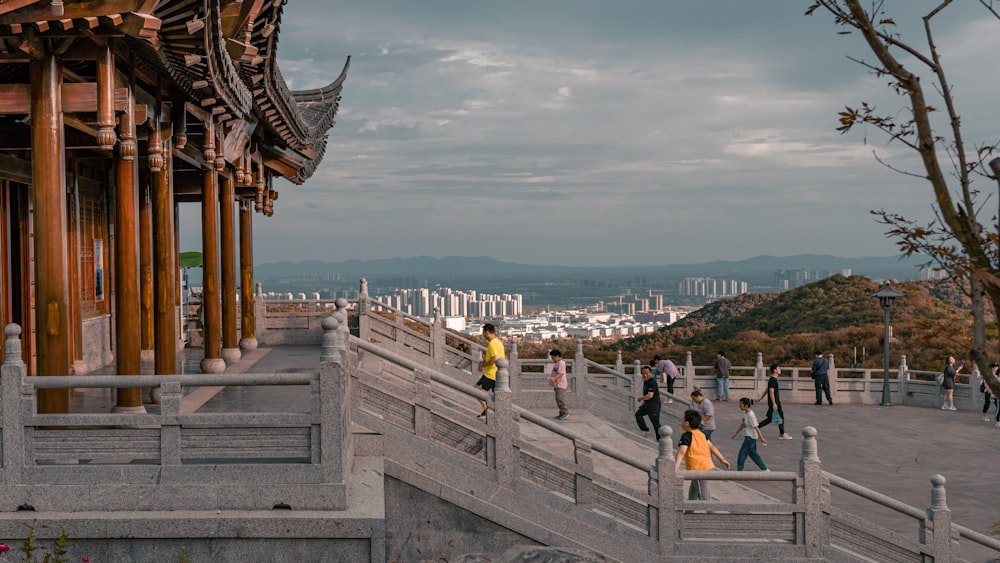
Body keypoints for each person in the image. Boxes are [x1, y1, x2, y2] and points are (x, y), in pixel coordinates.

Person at [674, 409, 730, 500]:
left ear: (687, 423)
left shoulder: (687, 436)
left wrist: (674, 469)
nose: (681, 421)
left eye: (683, 419)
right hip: (706, 466)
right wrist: (722, 459)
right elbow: (712, 447)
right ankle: (689, 512)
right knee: (693, 493)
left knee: (704, 496)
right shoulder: (701, 434)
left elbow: (681, 453)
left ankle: (711, 513)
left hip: (698, 469)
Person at [475, 323, 505, 420]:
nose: (483, 335)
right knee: (495, 397)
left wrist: (483, 365)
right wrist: (484, 362)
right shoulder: (498, 342)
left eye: (483, 333)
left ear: (487, 332)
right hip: (497, 374)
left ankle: (486, 409)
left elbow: (494, 358)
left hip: (491, 374)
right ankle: (490, 412)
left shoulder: (492, 343)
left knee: (475, 390)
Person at [732, 398, 768, 471]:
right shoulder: (746, 413)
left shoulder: (751, 415)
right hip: (750, 436)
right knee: (753, 454)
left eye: (741, 405)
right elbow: (743, 424)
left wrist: (762, 438)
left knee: (742, 453)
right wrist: (736, 433)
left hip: (750, 437)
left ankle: (739, 470)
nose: (739, 406)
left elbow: (756, 427)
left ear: (746, 405)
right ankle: (764, 469)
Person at [758, 364, 793, 440]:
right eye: (778, 368)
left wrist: (761, 397)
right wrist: (774, 403)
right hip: (774, 402)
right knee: (779, 417)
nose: (780, 370)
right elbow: (771, 391)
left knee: (771, 418)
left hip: (774, 402)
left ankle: (756, 427)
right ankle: (782, 434)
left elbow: (767, 389)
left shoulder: (772, 379)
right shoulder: (773, 380)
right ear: (775, 370)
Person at [635, 366, 662, 440]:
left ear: (651, 373)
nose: (645, 375)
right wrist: (644, 401)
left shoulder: (652, 382)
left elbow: (650, 395)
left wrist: (641, 399)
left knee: (656, 424)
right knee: (638, 414)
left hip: (653, 406)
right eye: (643, 373)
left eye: (647, 373)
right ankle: (644, 429)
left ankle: (660, 439)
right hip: (647, 405)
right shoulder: (646, 381)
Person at [549, 349, 569, 420]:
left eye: (553, 357)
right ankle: (561, 413)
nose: (552, 359)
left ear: (557, 356)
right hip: (557, 385)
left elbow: (561, 373)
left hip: (561, 385)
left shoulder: (561, 363)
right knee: (558, 399)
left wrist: (554, 378)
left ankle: (565, 413)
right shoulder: (557, 363)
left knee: (561, 399)